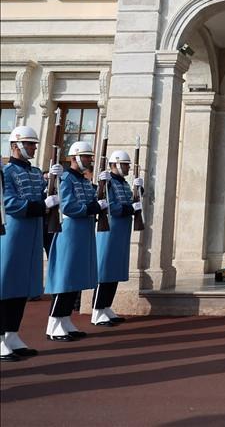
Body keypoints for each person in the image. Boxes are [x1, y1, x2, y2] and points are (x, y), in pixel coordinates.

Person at [1, 127, 62, 361]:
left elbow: (44, 196)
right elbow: (9, 203)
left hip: (33, 233)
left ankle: (12, 333)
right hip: (13, 233)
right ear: (16, 145)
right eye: (30, 144)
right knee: (5, 286)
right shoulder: (6, 172)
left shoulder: (36, 172)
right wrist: (42, 206)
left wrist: (55, 182)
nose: (34, 148)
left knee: (21, 287)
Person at [45, 141, 104, 341]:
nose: (89, 160)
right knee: (65, 276)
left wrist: (95, 205)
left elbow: (89, 200)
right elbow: (68, 206)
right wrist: (90, 208)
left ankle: (65, 319)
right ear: (74, 157)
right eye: (86, 156)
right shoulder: (67, 178)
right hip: (70, 230)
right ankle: (53, 323)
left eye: (89, 157)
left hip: (83, 231)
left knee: (75, 278)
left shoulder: (84, 180)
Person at [92, 150, 143, 326]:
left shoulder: (123, 183)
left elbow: (131, 200)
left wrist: (139, 190)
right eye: (125, 164)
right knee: (105, 271)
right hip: (110, 230)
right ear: (115, 165)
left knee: (114, 270)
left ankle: (106, 307)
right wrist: (131, 209)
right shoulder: (108, 182)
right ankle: (97, 310)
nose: (128, 167)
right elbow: (112, 207)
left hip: (121, 230)